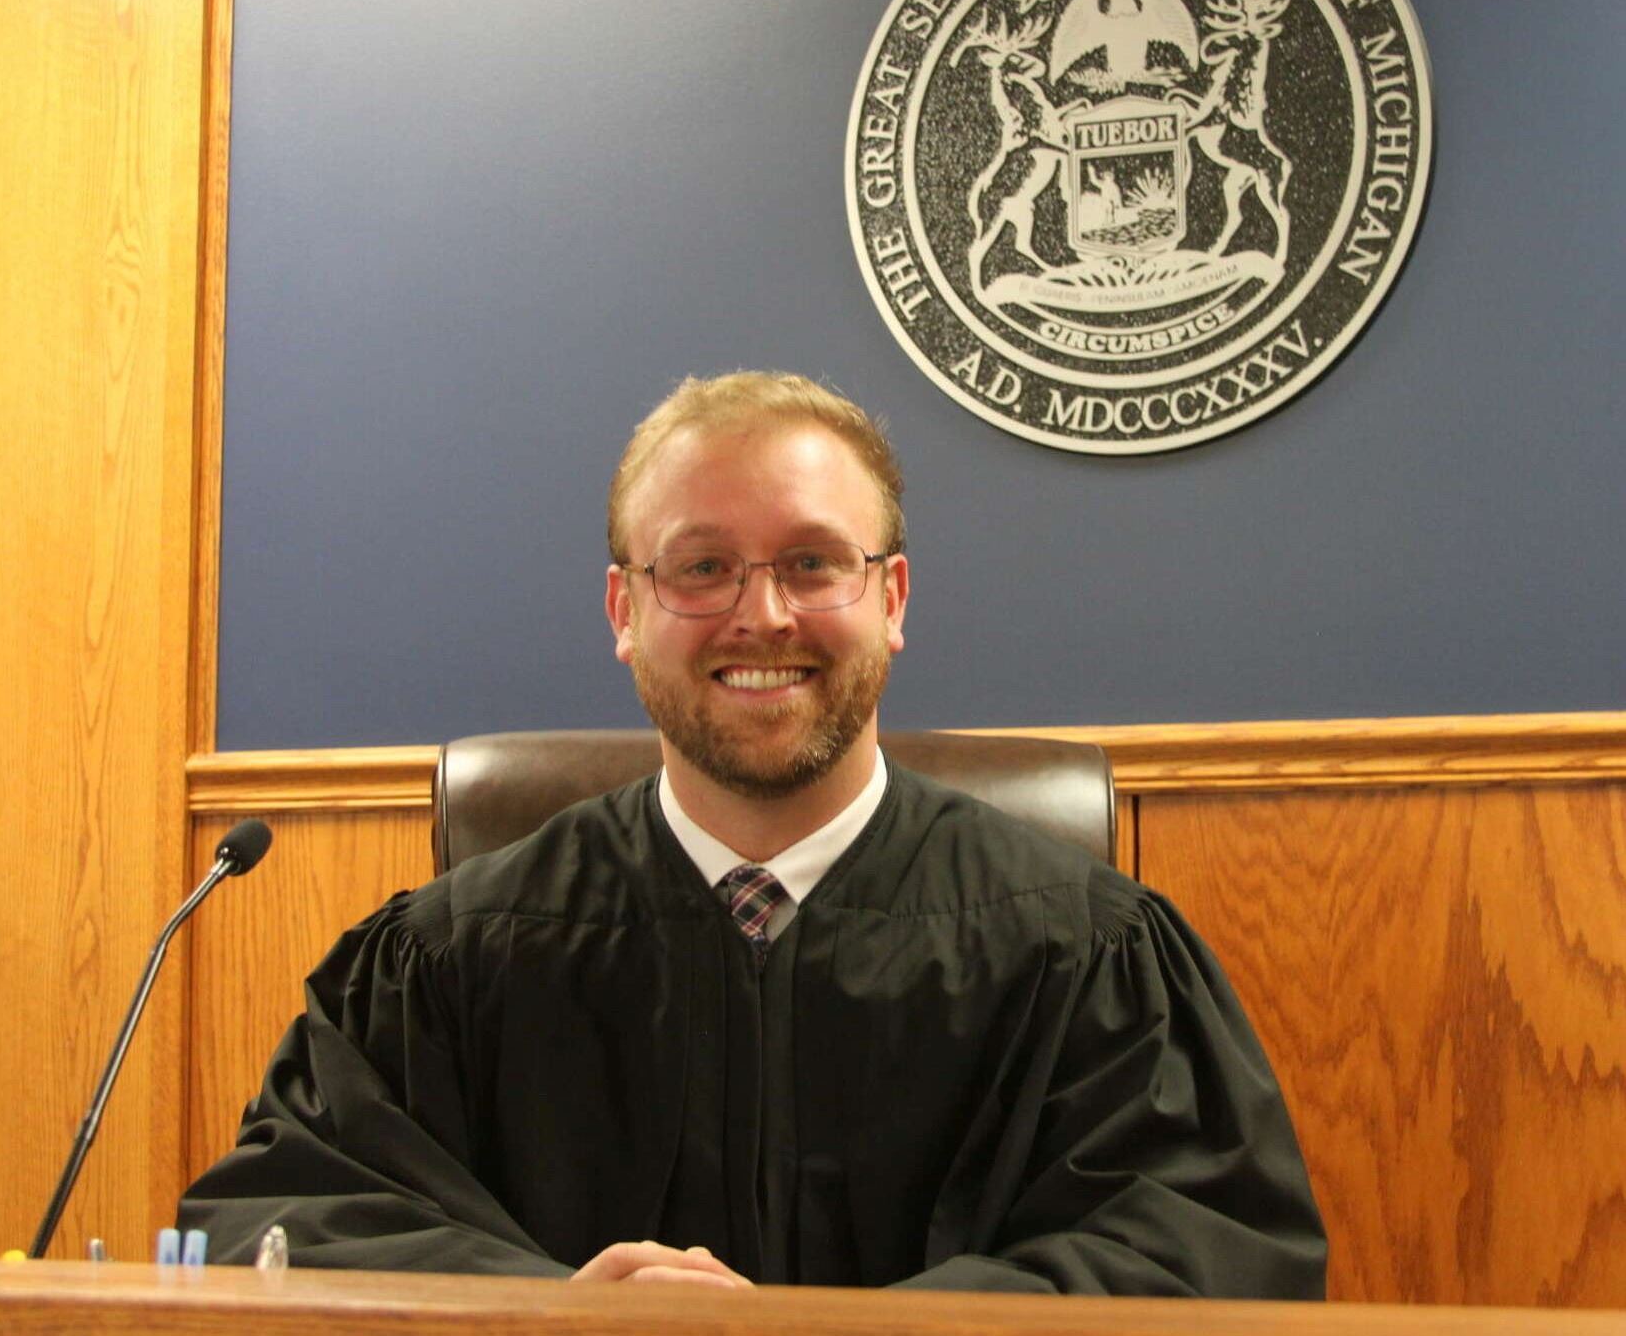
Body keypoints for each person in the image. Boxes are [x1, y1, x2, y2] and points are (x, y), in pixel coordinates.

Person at [179, 371, 1326, 1295]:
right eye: (703, 567)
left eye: (813, 561)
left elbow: (1205, 1260)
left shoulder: (1088, 952)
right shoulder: (454, 958)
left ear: (894, 598)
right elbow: (276, 1227)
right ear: (626, 611)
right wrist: (558, 1317)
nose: (761, 613)